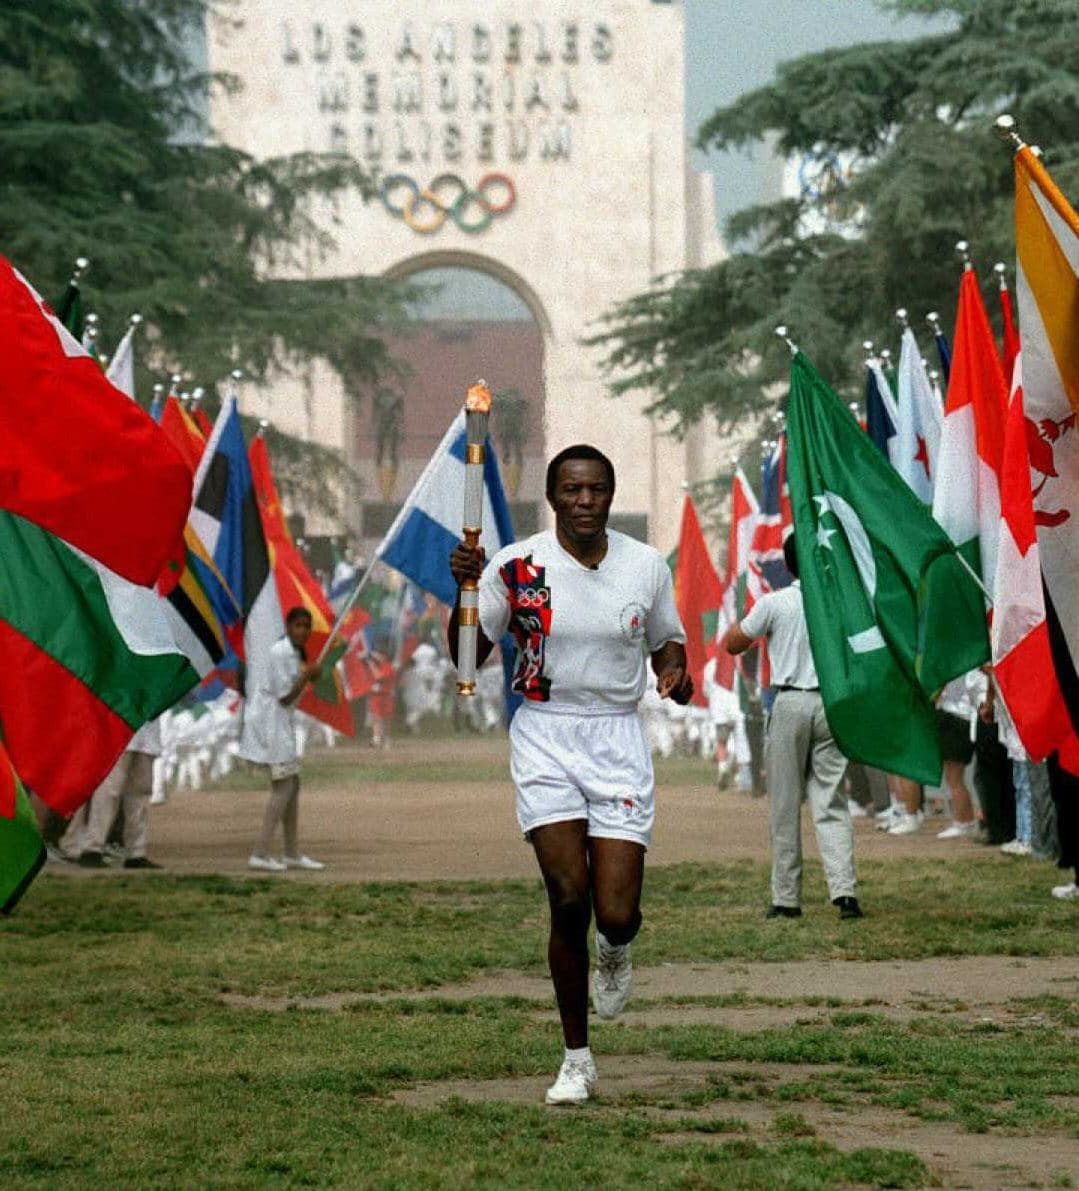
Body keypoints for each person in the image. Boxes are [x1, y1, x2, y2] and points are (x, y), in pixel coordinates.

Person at [448, 444, 692, 1107]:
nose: (583, 500)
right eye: (571, 489)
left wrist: (672, 671)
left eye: (595, 489)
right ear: (552, 497)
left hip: (616, 736)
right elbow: (468, 652)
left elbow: (667, 640)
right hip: (544, 733)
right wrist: (465, 590)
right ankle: (575, 1058)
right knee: (566, 896)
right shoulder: (515, 566)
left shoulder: (642, 564)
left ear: (610, 496)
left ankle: (616, 946)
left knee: (613, 911)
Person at [722, 533, 862, 922]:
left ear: (787, 565)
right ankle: (844, 892)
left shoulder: (774, 602)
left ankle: (786, 898)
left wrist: (742, 618)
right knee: (830, 802)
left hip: (789, 701)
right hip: (831, 702)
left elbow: (734, 643)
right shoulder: (838, 601)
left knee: (784, 805)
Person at [241, 606, 326, 873]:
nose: (302, 631)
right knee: (284, 787)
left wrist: (307, 676)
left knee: (293, 785)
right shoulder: (280, 653)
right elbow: (284, 696)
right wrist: (306, 677)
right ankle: (260, 852)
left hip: (280, 723)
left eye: (306, 627)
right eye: (298, 626)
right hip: (272, 724)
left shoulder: (292, 654)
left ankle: (291, 853)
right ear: (288, 627)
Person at [78, 717, 164, 869]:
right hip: (120, 726)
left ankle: (136, 852)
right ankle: (92, 848)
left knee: (140, 793)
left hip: (147, 731)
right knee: (109, 790)